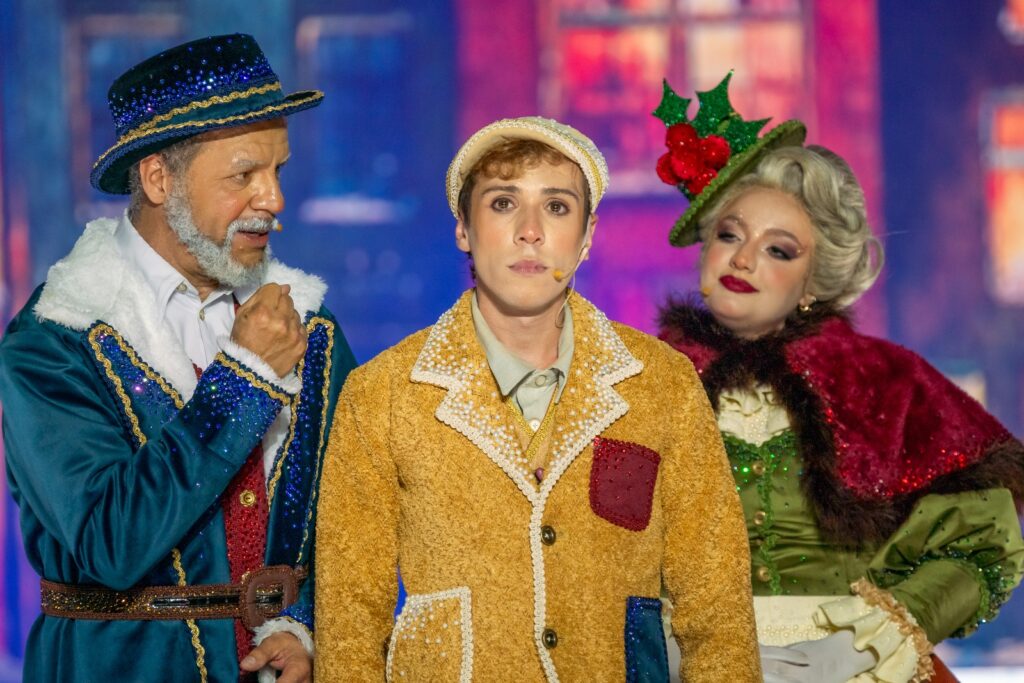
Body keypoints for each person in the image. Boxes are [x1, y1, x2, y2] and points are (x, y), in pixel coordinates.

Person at [313, 116, 761, 680]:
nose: (530, 231)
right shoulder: (384, 394)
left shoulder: (661, 383)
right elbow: (350, 618)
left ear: (587, 235)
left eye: (556, 206)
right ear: (463, 228)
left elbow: (717, 608)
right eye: (503, 203)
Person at [0, 34, 356, 682]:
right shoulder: (54, 342)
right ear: (159, 178)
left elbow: (356, 516)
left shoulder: (308, 325)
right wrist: (244, 380)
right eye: (244, 175)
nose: (273, 199)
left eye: (278, 171)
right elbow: (110, 542)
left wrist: (305, 625)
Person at [653, 73, 1024, 683]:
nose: (743, 258)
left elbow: (980, 538)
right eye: (728, 235)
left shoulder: (884, 382)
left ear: (813, 283)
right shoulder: (640, 384)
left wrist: (875, 638)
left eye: (779, 250)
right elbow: (588, 545)